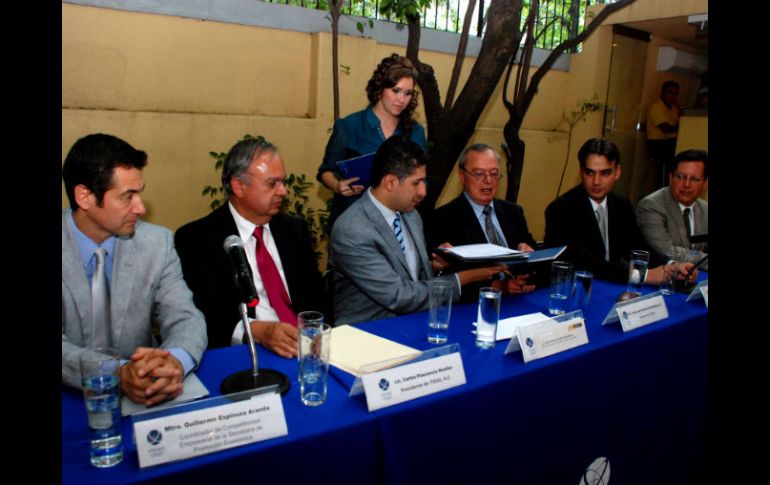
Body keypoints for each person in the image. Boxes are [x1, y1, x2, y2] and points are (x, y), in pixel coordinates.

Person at [62, 133, 207, 406]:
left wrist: (175, 362)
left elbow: (185, 317)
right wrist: (116, 373)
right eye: (127, 196)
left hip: (147, 391)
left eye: (140, 193)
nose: (140, 207)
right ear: (84, 196)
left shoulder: (157, 243)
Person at [175, 138, 329, 357]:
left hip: (307, 347)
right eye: (272, 184)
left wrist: (319, 334)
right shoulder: (197, 239)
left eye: (283, 182)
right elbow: (205, 314)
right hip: (246, 352)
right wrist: (256, 331)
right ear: (239, 186)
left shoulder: (294, 230)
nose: (284, 191)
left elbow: (318, 297)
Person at [329, 137, 504, 326]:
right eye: (416, 183)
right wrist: (464, 278)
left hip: (416, 322)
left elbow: (408, 275)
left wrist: (433, 266)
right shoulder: (352, 229)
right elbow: (398, 296)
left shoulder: (411, 215)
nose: (423, 191)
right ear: (390, 182)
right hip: (368, 331)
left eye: (424, 181)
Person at [544, 137, 696, 286]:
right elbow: (583, 262)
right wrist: (641, 275)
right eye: (590, 173)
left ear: (617, 172)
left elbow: (639, 246)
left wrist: (671, 266)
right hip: (576, 288)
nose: (596, 181)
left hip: (613, 286)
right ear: (581, 172)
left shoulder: (621, 204)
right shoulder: (561, 209)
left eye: (605, 173)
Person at [317, 53, 427, 230]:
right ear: (380, 88)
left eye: (408, 93)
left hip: (400, 222)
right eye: (396, 90)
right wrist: (337, 186)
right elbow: (325, 171)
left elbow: (423, 177)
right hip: (355, 221)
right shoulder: (349, 126)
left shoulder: (416, 131)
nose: (401, 100)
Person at [426, 143, 538, 301]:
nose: (488, 180)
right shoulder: (443, 218)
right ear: (462, 176)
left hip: (520, 299)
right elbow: (445, 277)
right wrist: (496, 287)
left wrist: (527, 253)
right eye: (479, 174)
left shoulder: (513, 212)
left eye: (494, 173)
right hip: (474, 304)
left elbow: (536, 259)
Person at [636, 149, 708, 270]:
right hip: (660, 275)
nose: (686, 184)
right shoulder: (651, 206)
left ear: (705, 183)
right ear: (670, 177)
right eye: (681, 177)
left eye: (694, 179)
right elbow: (668, 251)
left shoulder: (705, 209)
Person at [646, 80, 682, 187]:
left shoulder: (674, 109)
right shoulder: (656, 107)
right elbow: (666, 128)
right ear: (662, 93)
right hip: (658, 144)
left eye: (675, 94)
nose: (672, 96)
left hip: (670, 142)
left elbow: (682, 124)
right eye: (669, 93)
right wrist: (678, 128)